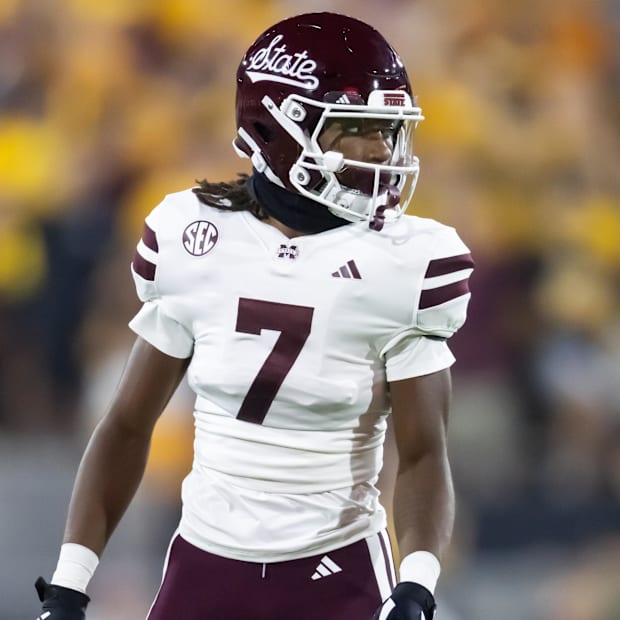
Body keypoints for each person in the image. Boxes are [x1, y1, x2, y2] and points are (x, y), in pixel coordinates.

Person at [34, 11, 474, 620]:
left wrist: (417, 585)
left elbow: (425, 452)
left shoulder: (408, 260)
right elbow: (127, 425)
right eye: (357, 128)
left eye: (387, 129)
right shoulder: (194, 237)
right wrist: (68, 585)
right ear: (278, 132)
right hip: (204, 565)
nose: (381, 149)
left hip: (338, 568)